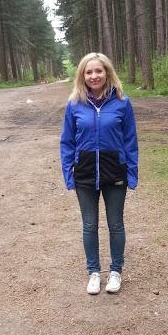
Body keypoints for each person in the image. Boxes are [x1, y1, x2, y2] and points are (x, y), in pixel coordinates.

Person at [60, 52, 138, 295]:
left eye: (98, 71)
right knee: (89, 225)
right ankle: (93, 272)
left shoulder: (122, 103)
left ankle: (116, 271)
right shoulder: (74, 104)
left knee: (116, 224)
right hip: (84, 174)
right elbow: (67, 142)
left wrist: (132, 172)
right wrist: (67, 173)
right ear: (82, 76)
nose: (94, 76)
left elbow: (130, 140)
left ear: (107, 73)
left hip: (114, 171)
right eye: (89, 72)